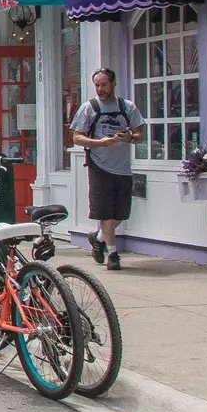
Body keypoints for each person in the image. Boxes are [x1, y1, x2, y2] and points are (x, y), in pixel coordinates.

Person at [71, 67, 145, 271]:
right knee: (106, 214)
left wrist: (129, 138)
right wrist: (100, 142)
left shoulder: (126, 107)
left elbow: (140, 135)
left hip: (122, 168)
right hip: (99, 166)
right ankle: (113, 254)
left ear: (113, 84)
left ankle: (98, 237)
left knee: (120, 214)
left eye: (104, 84)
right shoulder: (89, 108)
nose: (100, 89)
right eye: (96, 85)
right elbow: (77, 137)